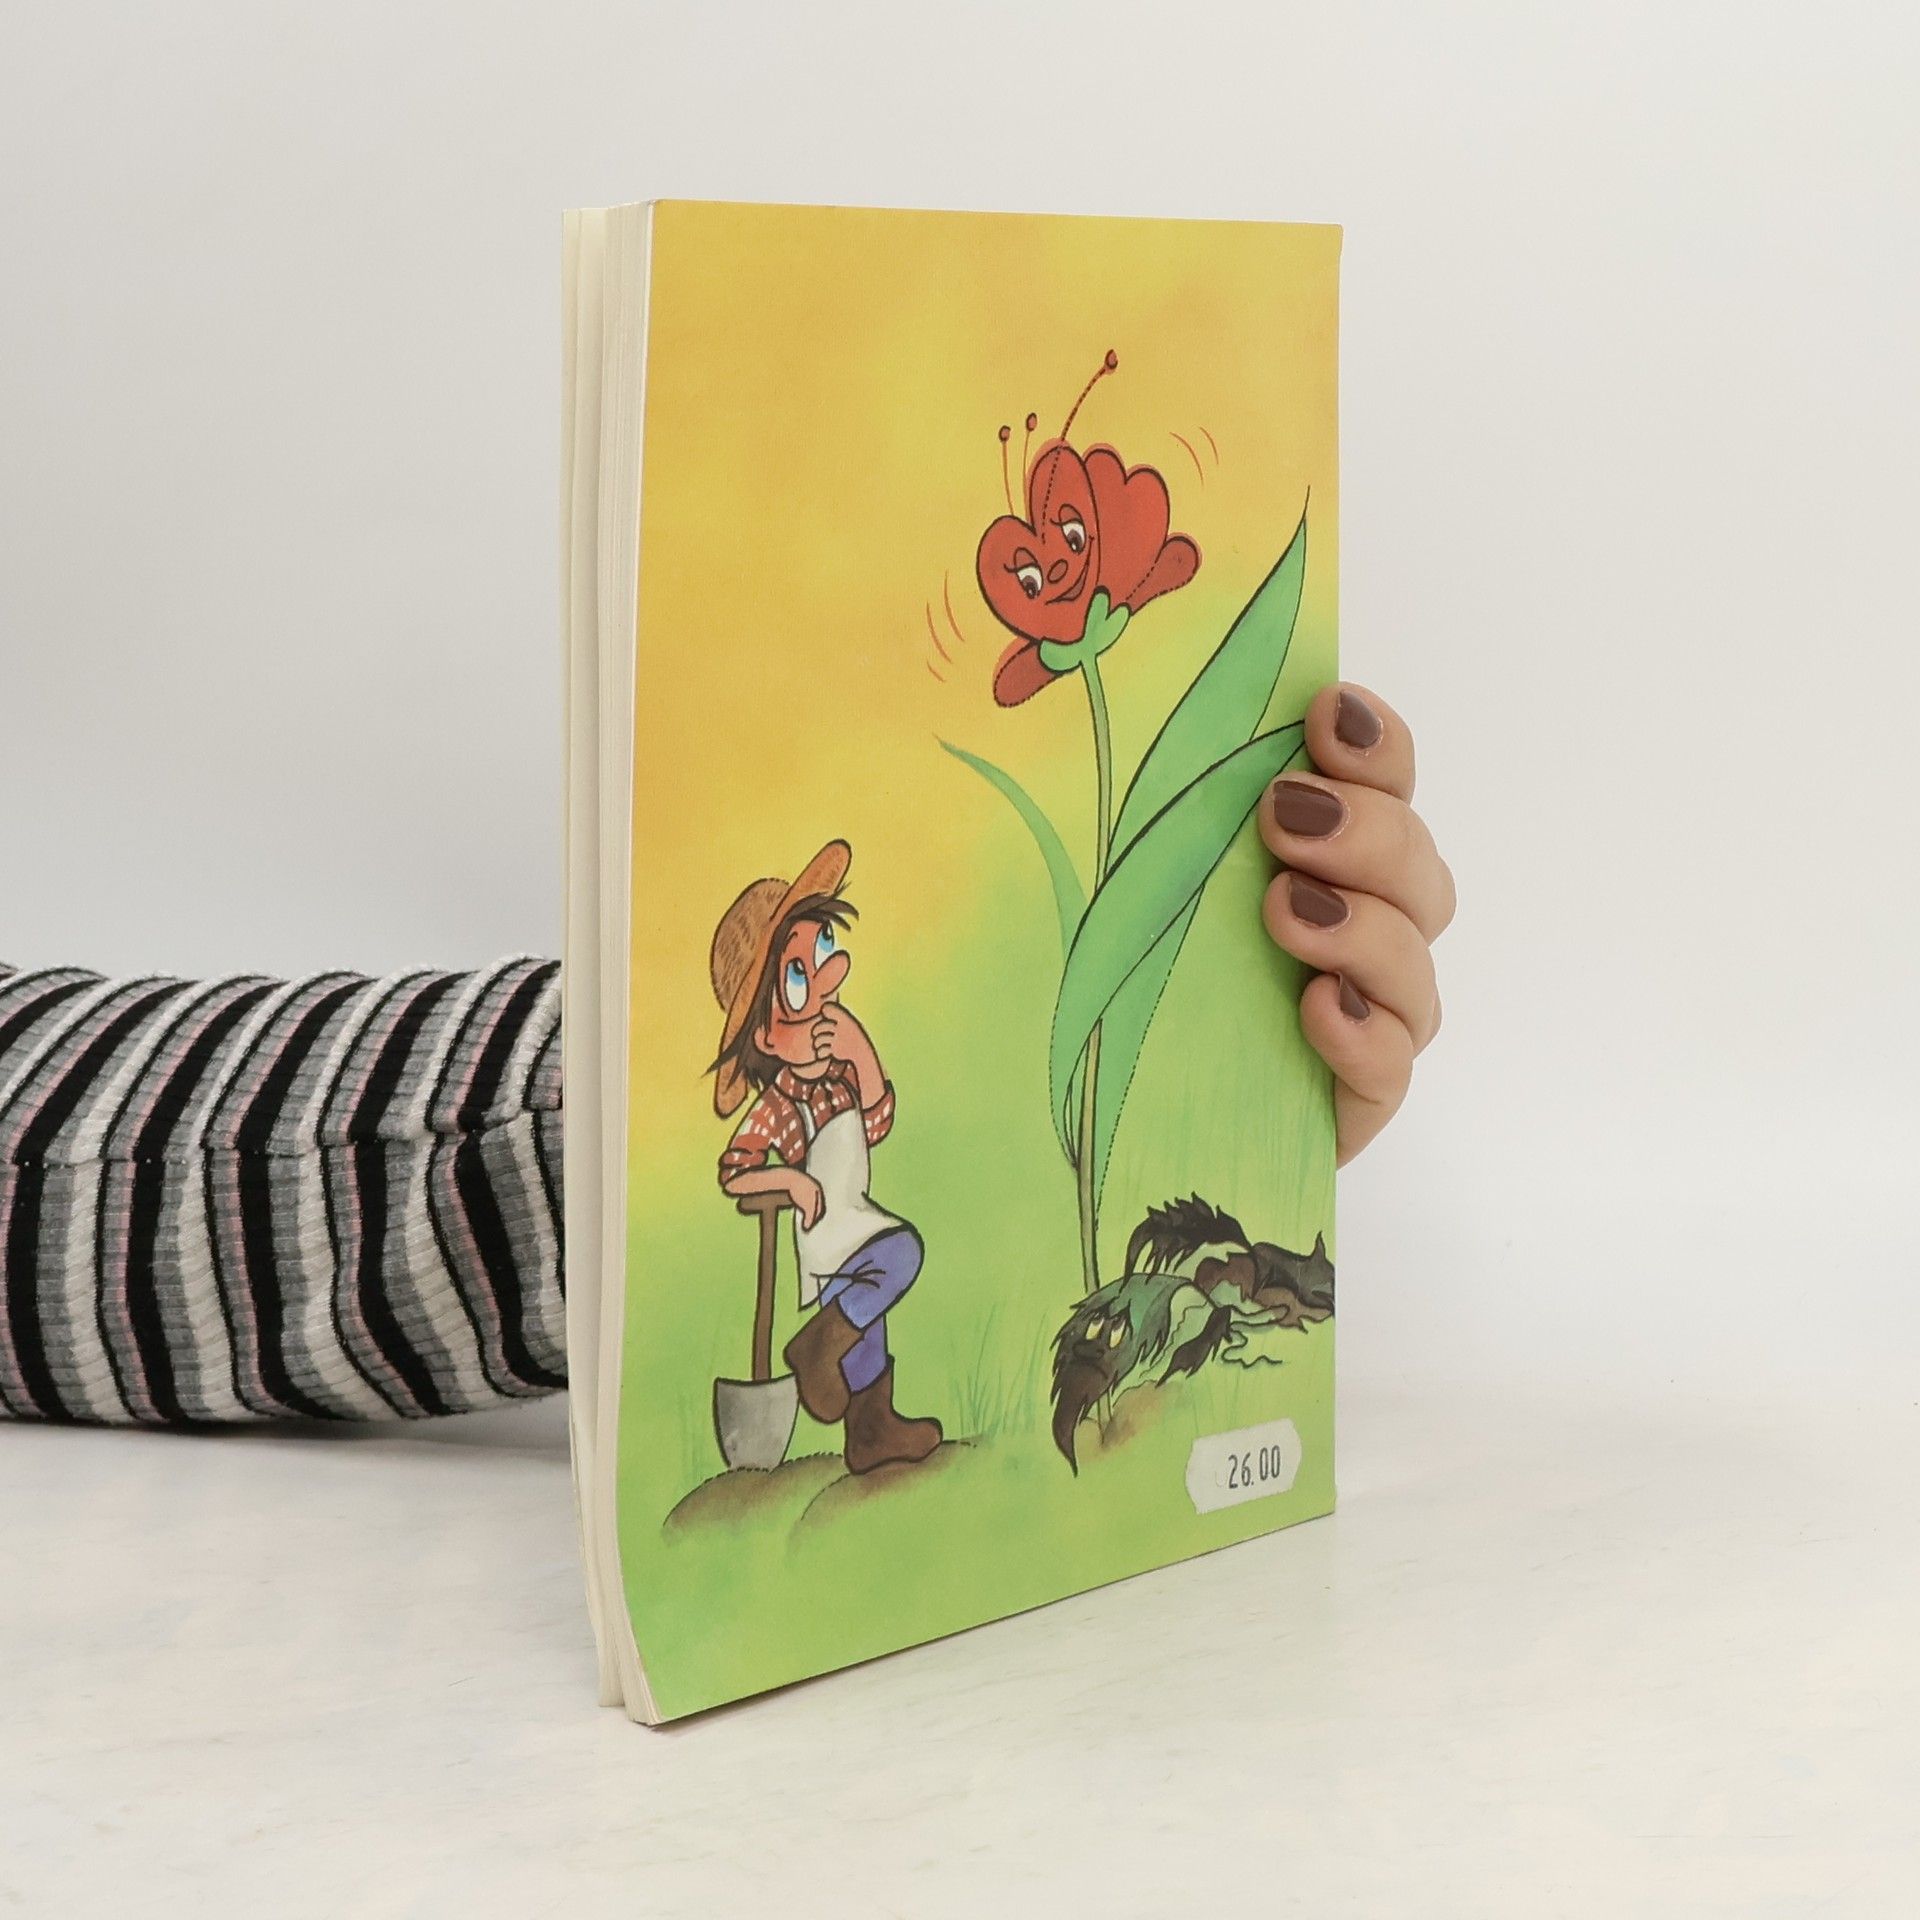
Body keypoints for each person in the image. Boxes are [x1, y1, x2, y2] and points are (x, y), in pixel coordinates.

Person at [0, 683, 1449, 1427]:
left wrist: (1067, 1079)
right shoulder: (760, 1093)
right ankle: (836, 1371)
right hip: (815, 1214)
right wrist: (670, 1156)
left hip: (829, 1189)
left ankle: (864, 1413)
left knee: (894, 1283)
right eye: (797, 968)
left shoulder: (829, 1045)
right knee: (882, 1267)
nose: (825, 979)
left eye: (827, 952)